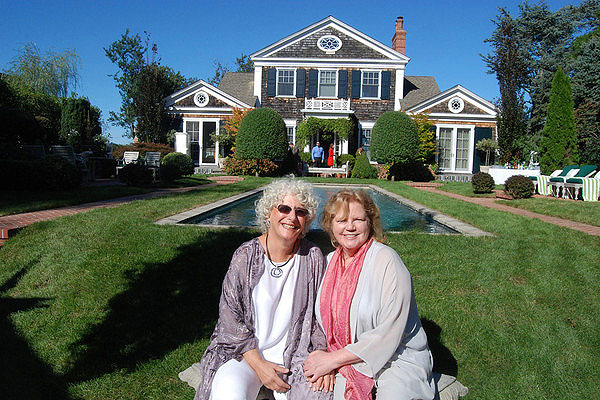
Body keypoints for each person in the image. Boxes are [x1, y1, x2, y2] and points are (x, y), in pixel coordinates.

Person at [184, 178, 334, 400]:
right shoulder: (246, 255)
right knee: (228, 393)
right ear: (269, 213)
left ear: (306, 220)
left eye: (300, 212)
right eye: (284, 208)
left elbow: (319, 315)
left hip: (294, 356)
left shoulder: (312, 257)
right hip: (245, 356)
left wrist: (320, 351)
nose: (292, 217)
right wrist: (259, 366)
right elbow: (229, 317)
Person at [304, 189, 435, 400]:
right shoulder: (328, 263)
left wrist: (333, 360)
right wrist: (324, 356)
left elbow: (389, 332)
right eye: (342, 220)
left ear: (369, 223)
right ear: (330, 225)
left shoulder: (387, 261)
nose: (350, 227)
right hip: (346, 356)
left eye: (358, 219)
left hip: (396, 356)